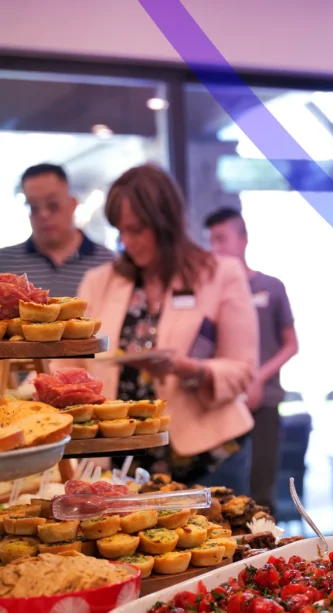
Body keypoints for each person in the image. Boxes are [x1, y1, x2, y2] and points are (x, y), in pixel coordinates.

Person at [75, 165, 258, 493]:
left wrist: (192, 370)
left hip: (208, 457)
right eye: (121, 231)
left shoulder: (220, 274)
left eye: (136, 230)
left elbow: (243, 369)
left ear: (166, 223)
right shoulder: (98, 282)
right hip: (123, 464)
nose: (127, 242)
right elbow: (70, 366)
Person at [204, 207, 299, 513]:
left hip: (264, 403)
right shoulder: (209, 293)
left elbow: (291, 344)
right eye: (211, 240)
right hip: (224, 404)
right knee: (223, 497)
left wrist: (258, 376)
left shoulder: (271, 287)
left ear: (243, 239)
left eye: (222, 238)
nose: (216, 248)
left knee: (261, 495)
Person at [0, 164, 114, 296]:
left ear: (73, 204)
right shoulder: (4, 263)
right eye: (33, 207)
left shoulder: (108, 263)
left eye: (53, 205)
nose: (43, 215)